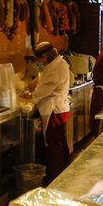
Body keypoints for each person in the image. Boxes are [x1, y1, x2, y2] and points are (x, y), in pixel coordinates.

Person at [21, 42, 72, 183]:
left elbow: (44, 90)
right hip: (59, 108)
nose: (40, 62)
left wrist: (29, 95)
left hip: (54, 110)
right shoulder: (57, 63)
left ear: (45, 56)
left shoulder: (55, 67)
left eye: (40, 59)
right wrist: (34, 84)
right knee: (59, 142)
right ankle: (65, 174)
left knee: (53, 145)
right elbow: (43, 78)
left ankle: (55, 179)